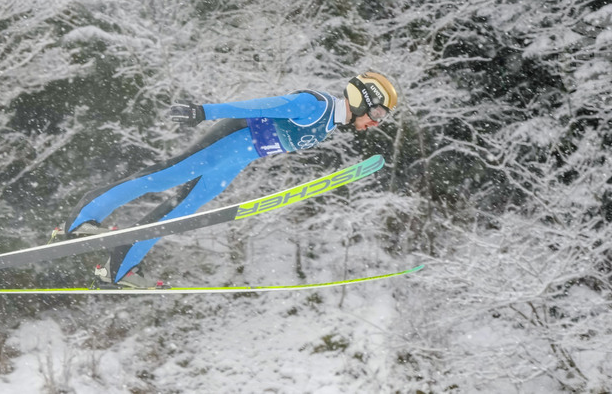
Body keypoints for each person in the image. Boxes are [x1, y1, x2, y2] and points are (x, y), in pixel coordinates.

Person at [64, 71, 399, 287]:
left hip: (240, 157)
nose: (376, 122)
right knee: (162, 177)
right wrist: (204, 112)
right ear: (362, 100)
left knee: (182, 210)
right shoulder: (314, 105)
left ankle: (119, 266)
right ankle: (81, 218)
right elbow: (256, 106)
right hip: (231, 140)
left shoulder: (328, 125)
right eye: (378, 113)